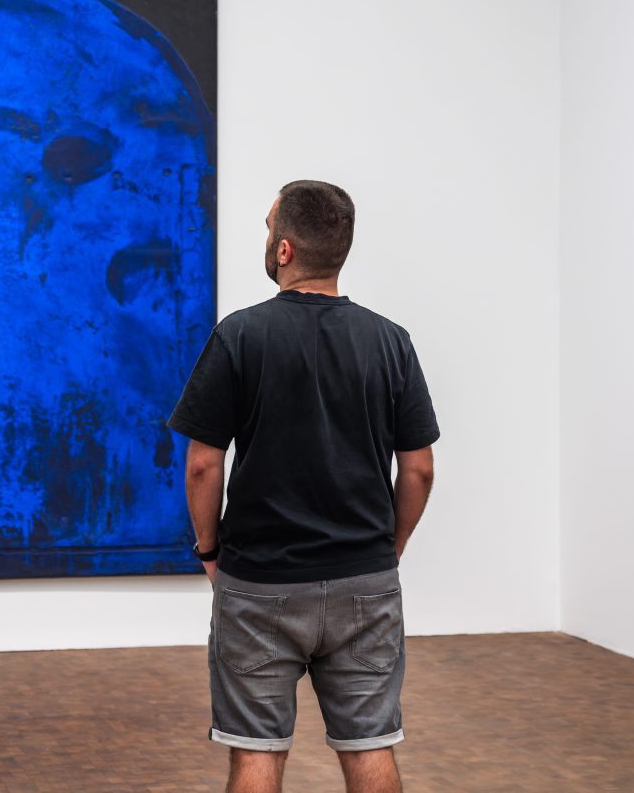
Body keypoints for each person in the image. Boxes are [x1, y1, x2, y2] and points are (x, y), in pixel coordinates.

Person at [168, 179, 439, 793]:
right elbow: (419, 468)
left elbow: (203, 464)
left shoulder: (240, 335)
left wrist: (208, 551)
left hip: (260, 582)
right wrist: (388, 549)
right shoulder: (390, 341)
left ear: (285, 249)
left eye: (269, 229)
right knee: (370, 746)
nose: (267, 239)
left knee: (257, 753)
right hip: (364, 580)